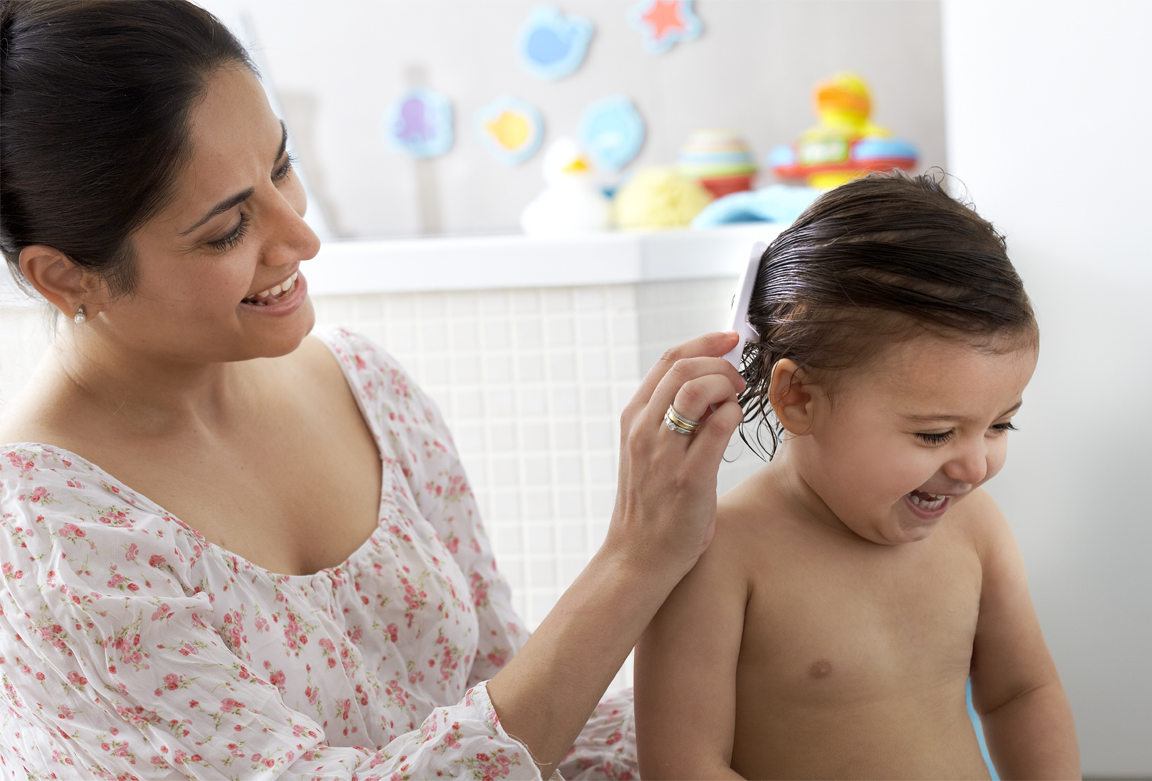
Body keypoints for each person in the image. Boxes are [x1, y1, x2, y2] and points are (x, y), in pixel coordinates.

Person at [0, 1, 746, 777]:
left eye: (281, 167)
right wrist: (634, 556)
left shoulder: (365, 387)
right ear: (65, 275)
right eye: (226, 229)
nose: (300, 236)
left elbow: (511, 712)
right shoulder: (51, 536)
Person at [634, 172, 1081, 779]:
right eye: (934, 434)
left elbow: (1020, 693)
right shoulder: (719, 556)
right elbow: (684, 766)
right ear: (800, 400)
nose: (976, 467)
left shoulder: (975, 530)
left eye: (1001, 425)